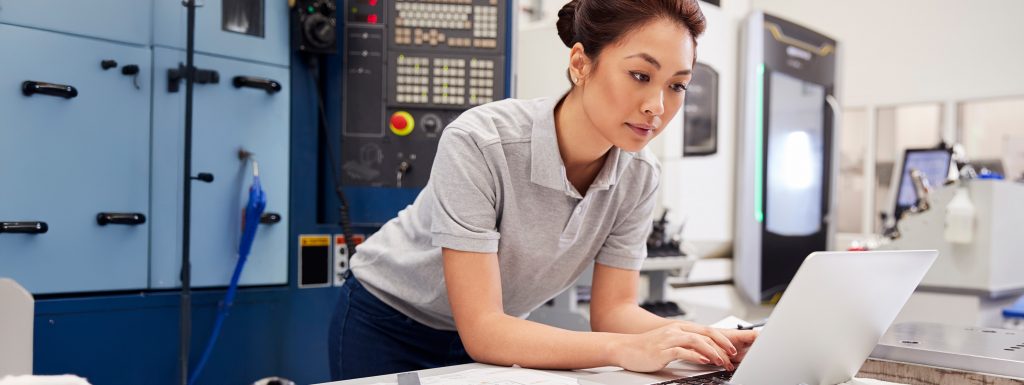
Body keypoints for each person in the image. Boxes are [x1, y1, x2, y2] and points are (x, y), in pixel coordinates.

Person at [328, 0, 757, 380]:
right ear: (581, 63)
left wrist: (711, 340)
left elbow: (613, 312)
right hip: (390, 321)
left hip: (507, 335)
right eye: (640, 74)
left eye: (677, 84)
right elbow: (483, 329)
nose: (657, 106)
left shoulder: (640, 174)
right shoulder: (481, 142)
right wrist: (623, 349)